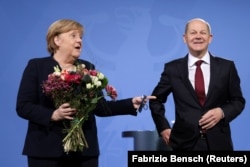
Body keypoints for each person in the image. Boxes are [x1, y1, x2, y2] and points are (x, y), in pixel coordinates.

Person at [16, 19, 155, 167]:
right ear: (57, 40)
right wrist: (53, 115)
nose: (79, 40)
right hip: (45, 151)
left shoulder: (87, 67)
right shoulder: (37, 66)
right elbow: (23, 106)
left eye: (81, 37)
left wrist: (130, 103)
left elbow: (100, 107)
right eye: (73, 35)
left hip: (84, 154)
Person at [149, 18, 245, 151]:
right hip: (184, 145)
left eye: (203, 33)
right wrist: (163, 127)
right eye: (193, 33)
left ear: (210, 38)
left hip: (219, 144)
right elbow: (155, 100)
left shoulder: (227, 67)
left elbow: (238, 101)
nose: (198, 37)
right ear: (185, 38)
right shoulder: (172, 69)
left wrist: (222, 112)